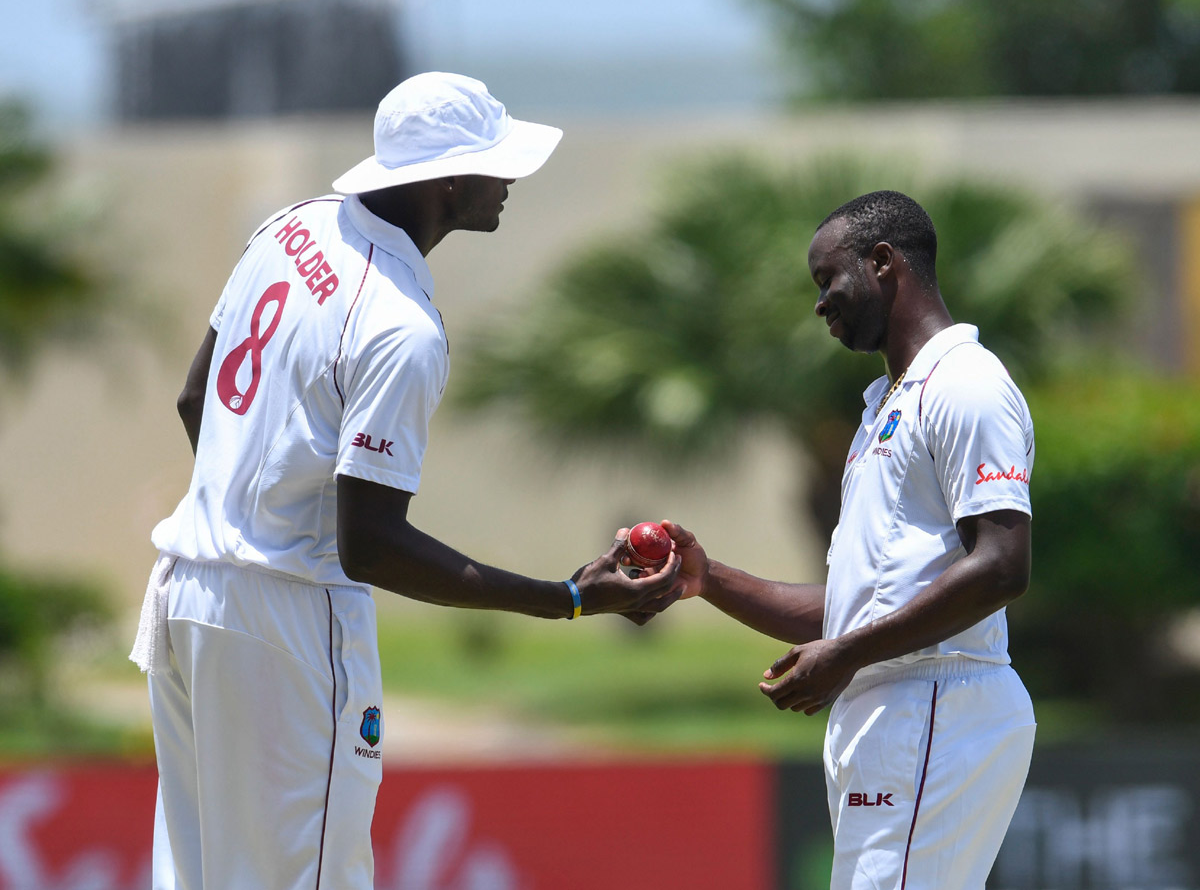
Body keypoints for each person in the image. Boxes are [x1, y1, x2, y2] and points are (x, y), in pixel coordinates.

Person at [129, 72, 680, 890]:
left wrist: (243, 511)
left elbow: (193, 398)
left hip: (184, 595)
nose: (512, 181)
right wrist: (563, 597)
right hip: (286, 624)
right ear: (449, 181)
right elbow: (371, 549)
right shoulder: (400, 327)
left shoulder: (293, 226)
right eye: (499, 164)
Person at [662, 191, 1036, 888]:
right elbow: (858, 608)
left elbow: (1003, 566)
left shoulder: (964, 384)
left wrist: (847, 655)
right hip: (899, 711)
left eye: (827, 279)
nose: (820, 303)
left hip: (933, 703)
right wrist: (707, 579)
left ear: (883, 262)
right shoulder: (885, 407)